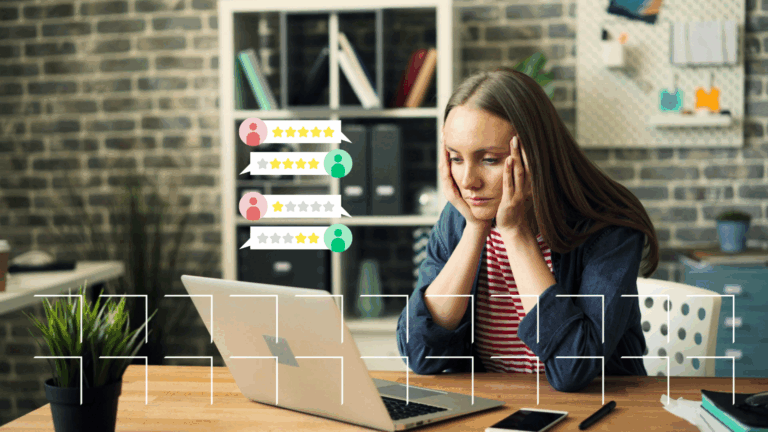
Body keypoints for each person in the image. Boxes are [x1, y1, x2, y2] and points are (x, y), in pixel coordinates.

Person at [396, 67, 659, 393]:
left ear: (537, 154)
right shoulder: (462, 217)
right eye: (456, 158)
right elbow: (419, 354)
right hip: (497, 407)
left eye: (489, 160)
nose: (468, 182)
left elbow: (573, 368)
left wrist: (516, 234)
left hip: (599, 412)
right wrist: (475, 228)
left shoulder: (608, 227)